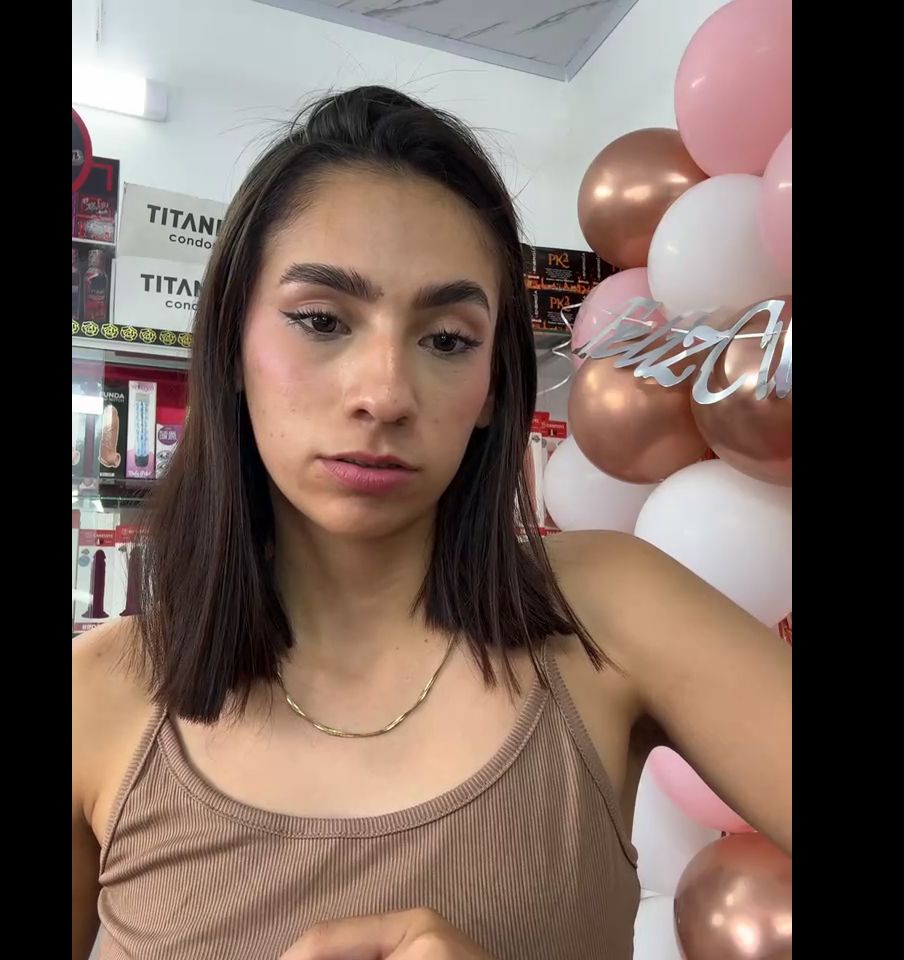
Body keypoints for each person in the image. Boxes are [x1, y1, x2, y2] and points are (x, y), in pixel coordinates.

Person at [71, 86, 791, 960]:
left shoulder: (611, 610)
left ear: (491, 387)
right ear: (231, 347)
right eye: (321, 321)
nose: (384, 394)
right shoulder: (97, 698)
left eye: (447, 339)